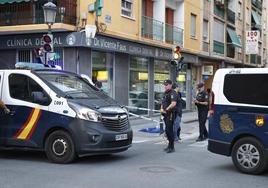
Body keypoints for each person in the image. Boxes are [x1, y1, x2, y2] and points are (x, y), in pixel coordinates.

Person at [161, 80, 177, 153]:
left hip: (170, 113)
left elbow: (173, 103)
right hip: (165, 114)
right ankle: (169, 145)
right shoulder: (165, 93)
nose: (165, 86)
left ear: (170, 85)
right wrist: (161, 109)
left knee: (169, 130)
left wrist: (166, 109)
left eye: (166, 84)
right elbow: (162, 102)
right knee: (167, 130)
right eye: (164, 84)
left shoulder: (173, 93)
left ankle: (172, 146)